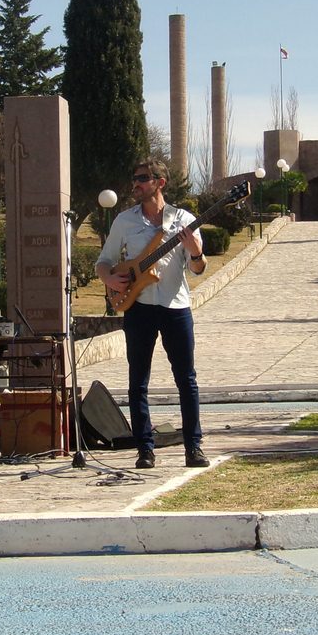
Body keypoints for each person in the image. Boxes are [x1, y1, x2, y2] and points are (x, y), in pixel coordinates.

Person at [96, 159, 210, 469]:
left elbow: (197, 269)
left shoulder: (183, 220)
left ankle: (194, 447)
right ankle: (144, 449)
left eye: (143, 179)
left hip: (176, 306)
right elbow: (104, 261)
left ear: (159, 182)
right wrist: (109, 279)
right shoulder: (124, 221)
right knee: (138, 380)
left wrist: (196, 252)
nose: (136, 184)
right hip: (139, 306)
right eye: (135, 179)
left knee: (187, 379)